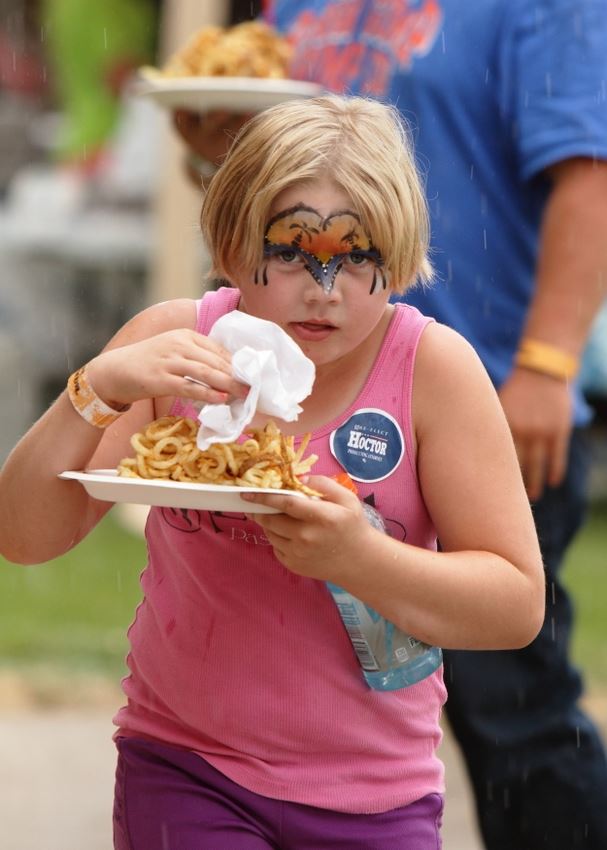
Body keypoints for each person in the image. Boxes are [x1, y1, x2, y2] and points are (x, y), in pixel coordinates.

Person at [0, 95, 544, 850]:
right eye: (289, 252)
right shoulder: (175, 348)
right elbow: (23, 536)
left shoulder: (431, 371)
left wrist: (359, 558)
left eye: (358, 255)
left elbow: (515, 604)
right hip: (187, 766)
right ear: (229, 244)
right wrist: (92, 391)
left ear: (401, 251)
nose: (325, 287)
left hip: (376, 794)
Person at [173, 3, 607, 848]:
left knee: (511, 710)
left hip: (469, 383)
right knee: (311, 674)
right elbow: (276, 198)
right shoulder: (291, 9)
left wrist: (548, 364)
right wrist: (210, 148)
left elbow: (587, 174)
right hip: (293, 394)